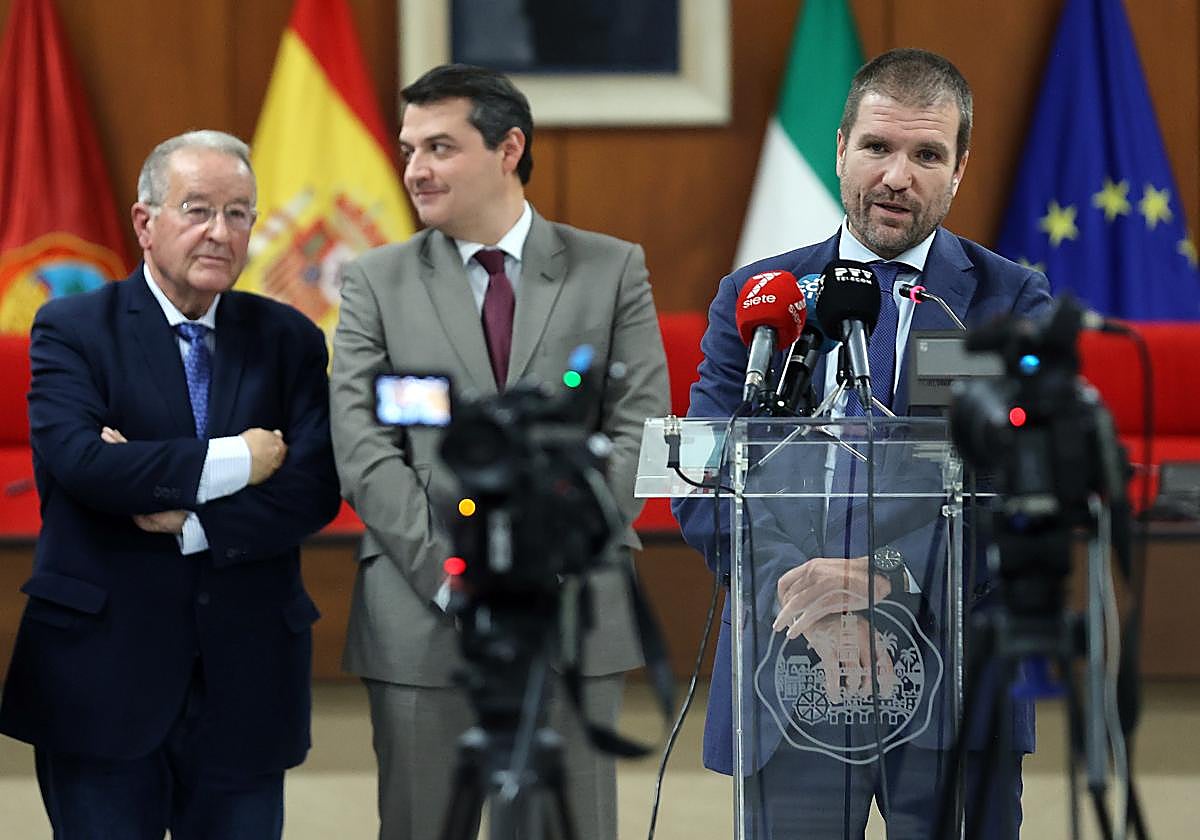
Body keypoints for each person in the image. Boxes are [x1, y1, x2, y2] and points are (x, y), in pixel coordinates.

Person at [673, 49, 1053, 839]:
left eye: (926, 155)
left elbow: (1025, 491)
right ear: (840, 146)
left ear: (959, 169)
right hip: (792, 672)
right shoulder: (756, 298)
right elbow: (707, 475)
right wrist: (808, 596)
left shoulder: (1008, 301)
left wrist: (885, 579)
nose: (896, 176)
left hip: (954, 684)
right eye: (878, 147)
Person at [330, 64, 669, 840]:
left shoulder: (611, 268)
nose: (414, 167)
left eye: (440, 147)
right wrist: (454, 574)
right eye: (409, 147)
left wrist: (552, 552)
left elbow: (639, 428)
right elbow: (364, 447)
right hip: (422, 614)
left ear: (508, 147)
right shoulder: (375, 281)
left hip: (572, 605)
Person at [0, 130, 342, 839]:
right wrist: (242, 462)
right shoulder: (72, 328)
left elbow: (313, 488)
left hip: (245, 678)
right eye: (197, 210)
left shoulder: (291, 339)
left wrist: (189, 521)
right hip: (100, 673)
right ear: (145, 222)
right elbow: (84, 467)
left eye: (240, 213)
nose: (221, 232)